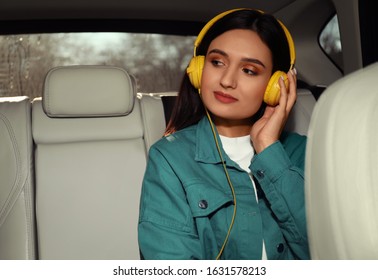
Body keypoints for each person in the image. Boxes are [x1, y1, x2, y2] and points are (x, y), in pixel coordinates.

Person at [138, 8, 310, 260]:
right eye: (217, 62)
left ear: (276, 85)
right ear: (198, 70)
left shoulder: (305, 153)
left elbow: (334, 252)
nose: (227, 80)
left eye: (249, 70)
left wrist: (269, 149)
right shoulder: (169, 159)